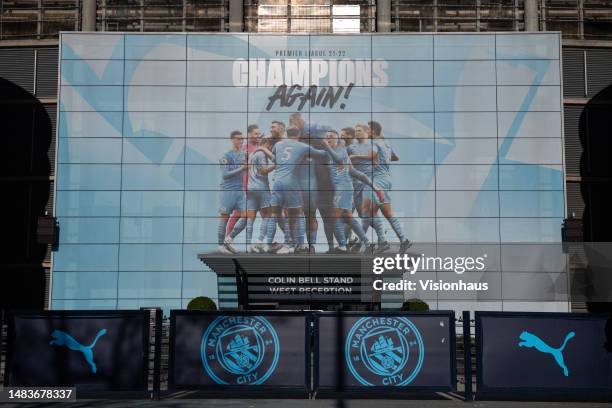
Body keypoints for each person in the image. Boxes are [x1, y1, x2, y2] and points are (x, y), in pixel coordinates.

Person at [267, 125, 329, 254]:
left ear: (287, 133)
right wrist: (327, 145)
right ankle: (296, 244)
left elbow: (274, 159)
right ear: (299, 134)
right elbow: (322, 154)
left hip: (277, 181)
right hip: (294, 184)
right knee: (299, 214)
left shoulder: (279, 145)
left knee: (275, 214)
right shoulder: (303, 147)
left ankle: (268, 244)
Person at [322, 130, 383, 253]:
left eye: (331, 137)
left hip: (342, 188)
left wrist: (327, 146)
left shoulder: (340, 150)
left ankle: (342, 246)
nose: (328, 139)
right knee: (348, 217)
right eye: (326, 137)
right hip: (345, 188)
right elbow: (353, 172)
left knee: (335, 217)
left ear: (337, 139)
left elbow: (338, 158)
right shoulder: (328, 153)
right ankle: (367, 243)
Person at [364, 121, 412, 252]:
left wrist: (356, 157)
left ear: (373, 131)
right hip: (386, 178)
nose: (366, 132)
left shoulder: (374, 143)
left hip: (378, 180)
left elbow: (371, 156)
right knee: (383, 212)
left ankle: (383, 241)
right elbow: (395, 157)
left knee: (373, 211)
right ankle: (402, 240)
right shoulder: (386, 143)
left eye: (368, 130)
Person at [227, 136, 275, 253]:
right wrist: (275, 165)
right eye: (270, 146)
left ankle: (231, 238)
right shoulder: (261, 153)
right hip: (261, 188)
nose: (271, 149)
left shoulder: (253, 154)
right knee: (268, 215)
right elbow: (263, 170)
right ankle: (259, 241)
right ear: (266, 144)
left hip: (250, 188)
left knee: (249, 217)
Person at [348, 123, 388, 252]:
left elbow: (373, 157)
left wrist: (354, 157)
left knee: (367, 212)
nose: (357, 133)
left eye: (359, 130)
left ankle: (381, 239)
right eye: (355, 131)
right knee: (361, 214)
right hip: (354, 184)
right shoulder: (351, 147)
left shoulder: (372, 145)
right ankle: (378, 231)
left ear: (366, 132)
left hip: (367, 183)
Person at [225, 124, 261, 238]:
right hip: (246, 188)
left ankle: (228, 239)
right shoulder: (245, 149)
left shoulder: (257, 147)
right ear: (249, 134)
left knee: (268, 214)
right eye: (256, 134)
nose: (258, 136)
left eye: (259, 134)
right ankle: (227, 238)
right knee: (238, 214)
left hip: (257, 188)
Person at [217, 130, 247, 254]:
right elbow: (225, 175)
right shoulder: (225, 156)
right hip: (228, 191)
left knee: (248, 216)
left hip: (240, 191)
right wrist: (242, 168)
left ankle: (229, 238)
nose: (241, 141)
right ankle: (220, 245)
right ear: (232, 140)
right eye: (239, 139)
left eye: (242, 139)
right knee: (224, 218)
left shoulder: (244, 154)